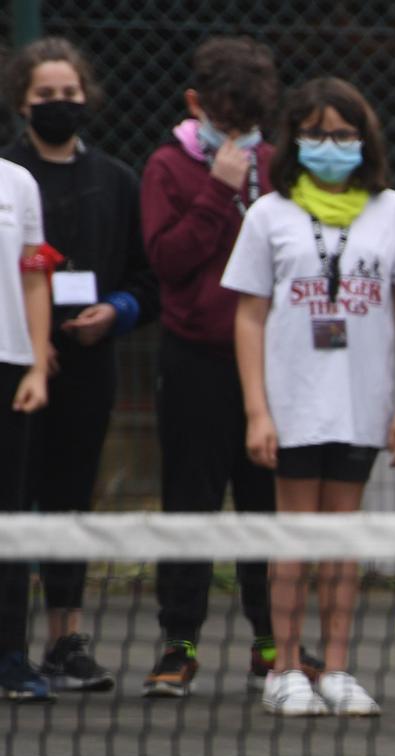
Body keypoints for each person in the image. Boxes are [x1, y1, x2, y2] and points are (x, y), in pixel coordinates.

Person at [223, 77, 395, 718]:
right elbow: (249, 317)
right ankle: (284, 670)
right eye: (316, 133)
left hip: (362, 405)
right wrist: (258, 409)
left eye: (343, 133)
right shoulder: (268, 214)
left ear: (363, 141)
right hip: (292, 405)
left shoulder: (391, 209)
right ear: (295, 141)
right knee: (294, 540)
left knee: (342, 542)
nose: (330, 144)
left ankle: (335, 668)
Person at [3, 38, 157, 696]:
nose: (60, 106)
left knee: (70, 499)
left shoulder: (118, 181)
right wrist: (34, 343)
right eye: (46, 97)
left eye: (70, 95)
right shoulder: (9, 175)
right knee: (14, 503)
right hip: (16, 371)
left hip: (90, 370)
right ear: (21, 103)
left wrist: (114, 312)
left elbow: (148, 281)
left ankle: (66, 639)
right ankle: (9, 645)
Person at [138, 36, 282, 699]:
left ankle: (271, 638)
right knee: (191, 500)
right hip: (193, 358)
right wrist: (217, 195)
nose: (239, 136)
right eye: (226, 121)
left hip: (269, 364)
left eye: (248, 125)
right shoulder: (168, 168)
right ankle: (180, 641)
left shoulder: (278, 166)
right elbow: (167, 261)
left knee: (264, 502)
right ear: (198, 105)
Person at [0, 149, 53, 700]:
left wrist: (38, 364)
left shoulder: (18, 183)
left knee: (8, 520)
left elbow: (35, 276)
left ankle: (10, 655)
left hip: (9, 367)